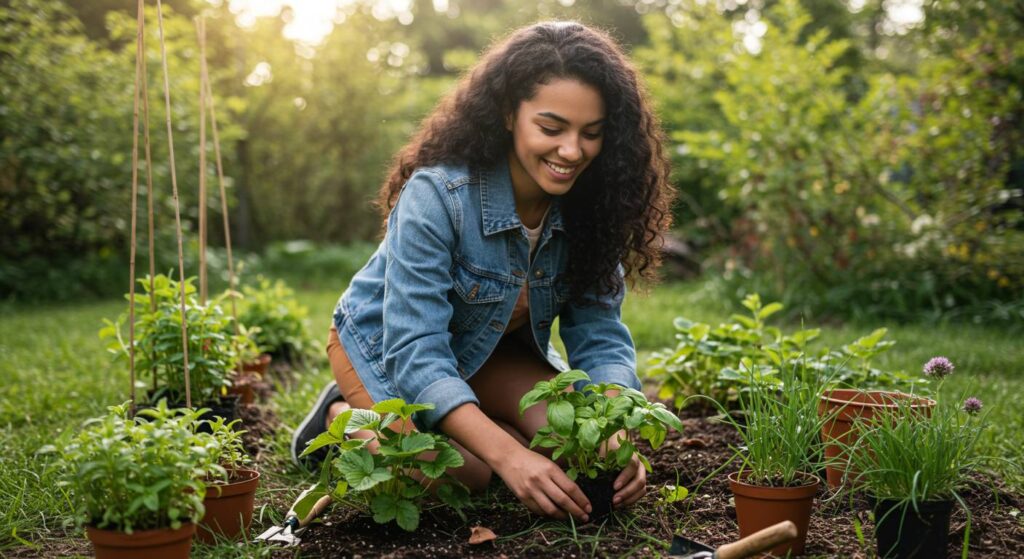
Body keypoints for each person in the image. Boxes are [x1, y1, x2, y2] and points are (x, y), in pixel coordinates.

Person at [292, 20, 674, 523]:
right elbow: (416, 350)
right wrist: (508, 454)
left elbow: (600, 336)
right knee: (469, 472)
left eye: (592, 133)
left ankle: (474, 422)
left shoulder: (594, 207)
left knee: (574, 447)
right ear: (507, 113)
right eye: (551, 128)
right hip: (384, 344)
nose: (572, 151)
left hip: (488, 349)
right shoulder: (439, 197)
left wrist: (619, 431)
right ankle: (340, 416)